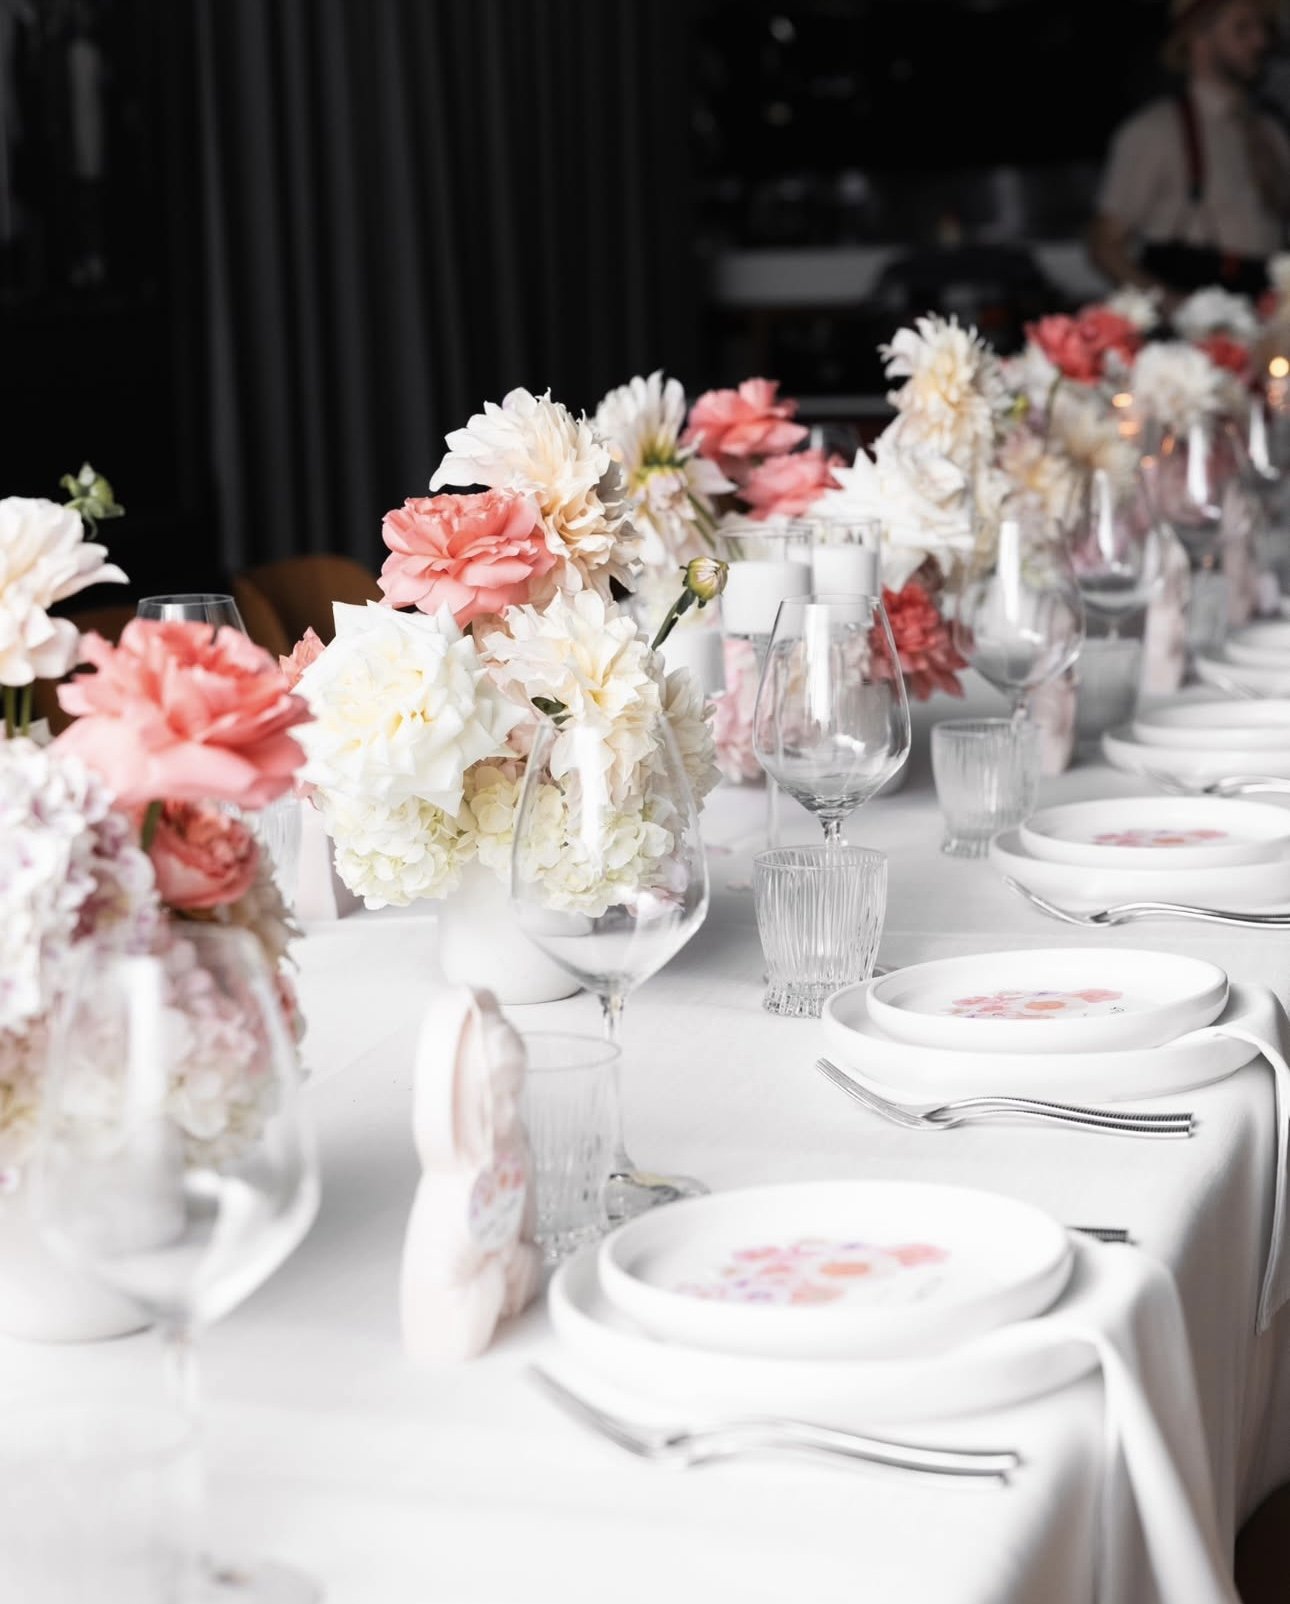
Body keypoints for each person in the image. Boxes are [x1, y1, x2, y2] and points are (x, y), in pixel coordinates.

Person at [1089, 0, 1290, 301]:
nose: (1261, 40)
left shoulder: (1272, 131)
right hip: (1195, 304)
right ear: (1199, 37)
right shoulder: (1155, 132)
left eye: (1264, 28)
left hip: (1267, 305)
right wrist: (1174, 308)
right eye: (1242, 28)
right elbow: (1105, 245)